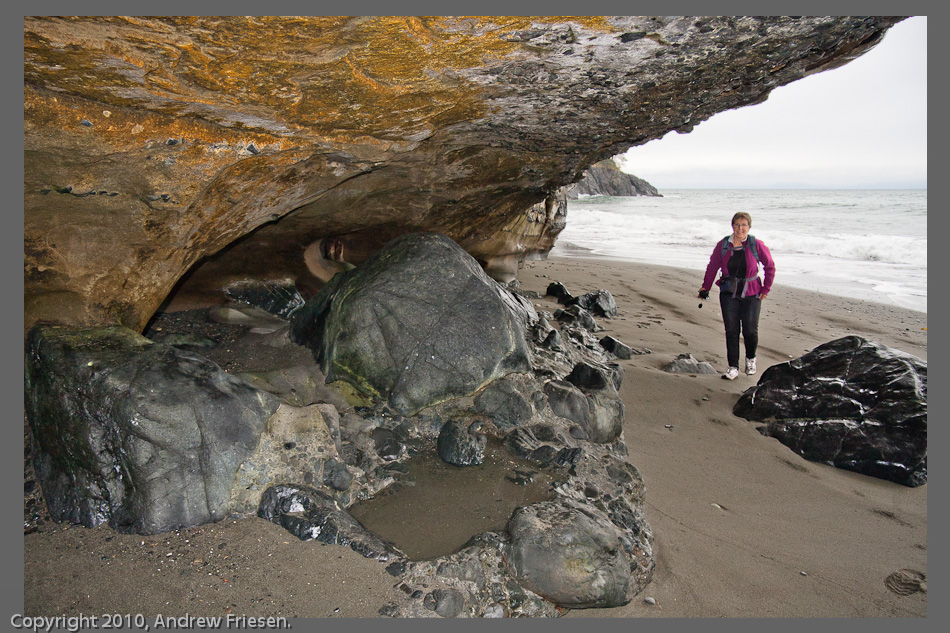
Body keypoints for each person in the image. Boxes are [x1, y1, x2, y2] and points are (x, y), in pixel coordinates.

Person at [698, 212, 776, 380]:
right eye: (737, 225)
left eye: (744, 225)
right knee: (731, 330)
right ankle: (733, 367)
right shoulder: (723, 245)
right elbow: (713, 266)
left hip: (752, 293)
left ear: (749, 227)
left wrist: (766, 289)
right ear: (732, 226)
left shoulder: (756, 244)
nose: (740, 228)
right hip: (729, 292)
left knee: (750, 330)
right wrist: (706, 287)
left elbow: (770, 266)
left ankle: (750, 359)